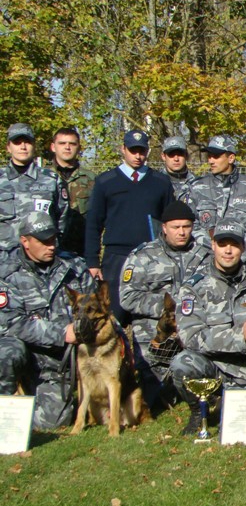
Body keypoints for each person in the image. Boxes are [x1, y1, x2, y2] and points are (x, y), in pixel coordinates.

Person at [169, 218, 246, 435]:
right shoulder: (194, 286)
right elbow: (190, 336)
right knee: (182, 363)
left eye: (234, 245)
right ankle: (199, 410)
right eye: (223, 244)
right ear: (213, 246)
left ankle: (227, 402)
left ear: (243, 248)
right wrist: (239, 336)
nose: (228, 251)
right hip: (212, 365)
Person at [0, 212, 95, 429]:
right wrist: (62, 333)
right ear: (25, 241)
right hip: (27, 355)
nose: (51, 246)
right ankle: (5, 408)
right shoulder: (7, 274)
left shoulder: (75, 266)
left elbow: (95, 307)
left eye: (53, 239)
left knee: (51, 422)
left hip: (61, 362)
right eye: (43, 241)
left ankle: (25, 411)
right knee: (5, 352)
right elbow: (13, 324)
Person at [119, 200, 212, 410]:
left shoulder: (205, 255)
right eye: (175, 227)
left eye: (186, 227)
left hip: (193, 328)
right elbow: (127, 297)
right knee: (155, 401)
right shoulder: (143, 256)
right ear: (163, 227)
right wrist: (168, 308)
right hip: (155, 334)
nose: (181, 232)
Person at [84, 129, 175, 324]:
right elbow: (93, 224)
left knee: (149, 318)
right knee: (113, 317)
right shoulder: (105, 182)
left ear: (147, 152)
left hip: (151, 258)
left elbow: (170, 223)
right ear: (123, 149)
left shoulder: (161, 182)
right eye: (133, 151)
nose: (138, 156)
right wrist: (92, 262)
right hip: (116, 258)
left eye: (142, 151)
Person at [183, 134, 246, 264]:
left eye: (216, 156)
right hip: (205, 260)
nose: (211, 161)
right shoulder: (197, 187)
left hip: (243, 262)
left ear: (230, 158)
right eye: (209, 156)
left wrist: (240, 250)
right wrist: (214, 248)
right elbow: (189, 222)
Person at [0, 123, 69, 273]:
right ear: (8, 147)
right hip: (4, 263)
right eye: (17, 142)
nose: (23, 147)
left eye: (27, 142)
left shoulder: (50, 180)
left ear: (34, 145)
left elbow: (61, 221)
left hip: (39, 265)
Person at [49, 127, 96, 256]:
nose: (67, 147)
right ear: (53, 147)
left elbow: (98, 218)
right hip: (49, 249)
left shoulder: (91, 179)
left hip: (81, 250)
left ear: (79, 148)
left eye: (72, 144)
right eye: (62, 143)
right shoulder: (43, 177)